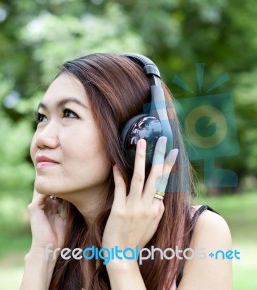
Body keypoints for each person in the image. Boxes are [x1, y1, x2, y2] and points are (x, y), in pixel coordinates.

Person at [19, 53, 232, 290]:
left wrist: (120, 259)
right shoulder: (59, 242)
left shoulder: (202, 234)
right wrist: (41, 254)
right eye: (41, 117)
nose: (42, 138)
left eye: (69, 113)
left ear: (135, 136)